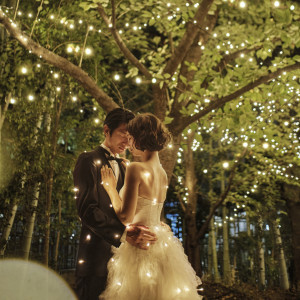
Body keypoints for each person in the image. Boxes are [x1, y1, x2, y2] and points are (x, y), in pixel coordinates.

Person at [100, 113, 202, 300]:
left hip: (140, 247)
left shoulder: (135, 169)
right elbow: (148, 206)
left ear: (140, 138)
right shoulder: (161, 173)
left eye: (130, 138)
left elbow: (125, 217)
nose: (129, 144)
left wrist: (111, 189)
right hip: (160, 244)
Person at [73, 108, 157, 300]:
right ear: (106, 130)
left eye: (131, 137)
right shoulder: (87, 160)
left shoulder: (128, 166)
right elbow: (88, 210)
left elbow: (132, 208)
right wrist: (125, 234)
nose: (128, 142)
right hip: (96, 261)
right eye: (123, 134)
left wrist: (152, 222)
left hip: (125, 264)